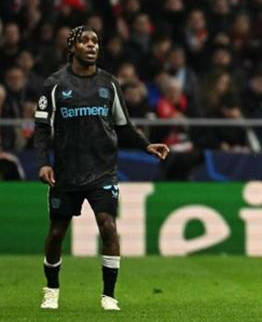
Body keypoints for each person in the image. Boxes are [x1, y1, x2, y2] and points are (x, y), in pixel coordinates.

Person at [32, 26, 169, 311]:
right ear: (72, 48)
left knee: (108, 226)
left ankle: (109, 296)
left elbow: (123, 125)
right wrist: (44, 162)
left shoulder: (109, 83)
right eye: (84, 41)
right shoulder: (54, 84)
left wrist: (146, 145)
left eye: (95, 41)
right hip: (66, 172)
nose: (92, 45)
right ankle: (52, 290)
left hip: (103, 171)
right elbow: (42, 128)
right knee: (57, 232)